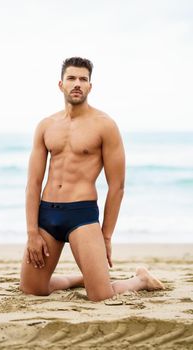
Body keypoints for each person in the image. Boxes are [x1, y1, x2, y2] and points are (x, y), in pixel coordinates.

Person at [19, 57, 164, 301]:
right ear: (60, 84)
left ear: (90, 86)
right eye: (71, 78)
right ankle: (83, 277)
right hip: (47, 214)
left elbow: (117, 186)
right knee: (32, 289)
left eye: (83, 79)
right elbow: (33, 183)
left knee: (100, 296)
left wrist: (106, 235)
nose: (77, 83)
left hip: (82, 216)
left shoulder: (104, 125)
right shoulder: (46, 126)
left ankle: (139, 280)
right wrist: (32, 232)